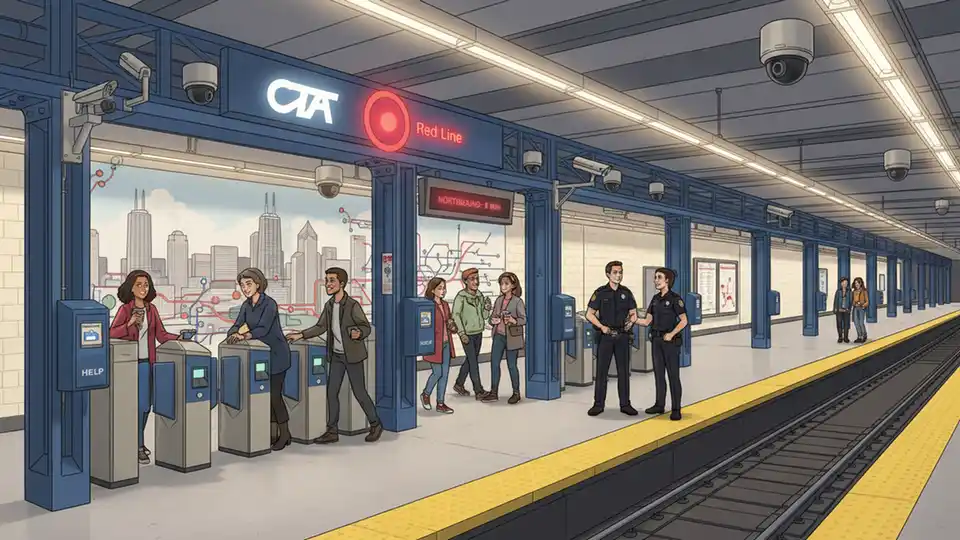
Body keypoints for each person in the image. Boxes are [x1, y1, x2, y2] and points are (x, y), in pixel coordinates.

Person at [286, 267, 383, 443]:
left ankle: (375, 424)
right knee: (332, 392)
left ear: (342, 284)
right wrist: (300, 335)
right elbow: (320, 326)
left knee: (359, 392)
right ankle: (332, 431)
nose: (328, 284)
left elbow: (366, 327)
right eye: (327, 280)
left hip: (352, 356)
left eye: (332, 280)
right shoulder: (329, 305)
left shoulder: (353, 305)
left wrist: (359, 333)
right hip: (337, 355)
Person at [109, 270, 185, 465]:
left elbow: (161, 334)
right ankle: (138, 445)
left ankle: (137, 441)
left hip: (149, 363)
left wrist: (180, 338)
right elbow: (112, 333)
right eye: (139, 285)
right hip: (132, 364)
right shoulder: (126, 309)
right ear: (131, 288)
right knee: (138, 406)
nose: (143, 288)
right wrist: (129, 324)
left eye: (146, 285)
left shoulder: (151, 310)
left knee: (147, 407)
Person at [226, 267, 293, 451]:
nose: (245, 288)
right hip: (261, 357)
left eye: (248, 284)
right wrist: (234, 333)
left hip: (277, 355)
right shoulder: (247, 306)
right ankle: (274, 433)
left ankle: (285, 433)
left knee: (274, 396)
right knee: (266, 396)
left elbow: (263, 329)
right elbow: (236, 326)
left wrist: (244, 336)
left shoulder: (269, 304)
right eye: (242, 285)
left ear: (258, 283)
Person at [586, 261, 639, 417]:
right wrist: (602, 327)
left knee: (624, 372)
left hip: (622, 336)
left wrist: (631, 321)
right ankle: (598, 404)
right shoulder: (600, 293)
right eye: (615, 272)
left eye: (620, 272)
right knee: (602, 372)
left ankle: (625, 404)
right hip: (606, 336)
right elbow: (589, 314)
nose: (619, 275)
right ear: (608, 274)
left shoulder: (626, 292)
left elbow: (633, 312)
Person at [637, 268, 688, 421]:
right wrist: (633, 320)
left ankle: (676, 408)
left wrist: (671, 334)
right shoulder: (655, 299)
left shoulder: (675, 299)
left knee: (673, 376)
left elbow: (684, 320)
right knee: (659, 375)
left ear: (667, 280)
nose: (656, 280)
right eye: (655, 277)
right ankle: (659, 405)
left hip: (670, 342)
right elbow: (647, 321)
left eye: (659, 277)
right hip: (657, 341)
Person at [483, 272, 526, 404]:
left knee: (512, 365)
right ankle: (494, 392)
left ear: (513, 285)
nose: (503, 286)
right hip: (499, 336)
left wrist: (513, 320)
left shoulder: (518, 301)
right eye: (501, 283)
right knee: (494, 364)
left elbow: (524, 319)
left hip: (512, 337)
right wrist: (493, 320)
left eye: (506, 283)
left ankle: (516, 392)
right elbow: (492, 317)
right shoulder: (499, 300)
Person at [452, 268, 492, 400]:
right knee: (473, 362)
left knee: (471, 360)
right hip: (467, 334)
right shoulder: (461, 297)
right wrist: (461, 333)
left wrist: (487, 309)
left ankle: (459, 384)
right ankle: (478, 390)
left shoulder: (480, 295)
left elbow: (484, 316)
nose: (476, 281)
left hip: (478, 332)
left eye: (477, 278)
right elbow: (456, 316)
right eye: (472, 279)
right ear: (465, 282)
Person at [420, 277, 455, 414]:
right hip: (434, 345)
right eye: (440, 288)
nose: (443, 291)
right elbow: (424, 326)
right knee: (438, 372)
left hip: (446, 343)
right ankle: (426, 394)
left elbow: (449, 320)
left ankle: (440, 403)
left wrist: (452, 325)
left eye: (444, 288)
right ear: (432, 290)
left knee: (444, 374)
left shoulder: (445, 305)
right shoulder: (427, 305)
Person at [834, 277, 852, 344]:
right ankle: (840, 337)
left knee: (846, 324)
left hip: (846, 310)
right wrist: (835, 309)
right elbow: (835, 300)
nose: (845, 284)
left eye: (846, 283)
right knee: (839, 324)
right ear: (841, 283)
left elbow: (851, 301)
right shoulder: (838, 291)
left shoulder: (849, 291)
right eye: (844, 283)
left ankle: (846, 337)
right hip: (839, 310)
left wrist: (849, 309)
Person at [851, 277, 869, 343]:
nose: (856, 284)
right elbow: (852, 300)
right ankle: (859, 336)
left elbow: (867, 301)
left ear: (861, 283)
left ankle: (864, 335)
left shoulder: (864, 291)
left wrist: (863, 305)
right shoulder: (854, 292)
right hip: (855, 308)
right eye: (855, 283)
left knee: (861, 322)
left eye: (858, 283)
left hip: (862, 308)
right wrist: (854, 303)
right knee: (856, 322)